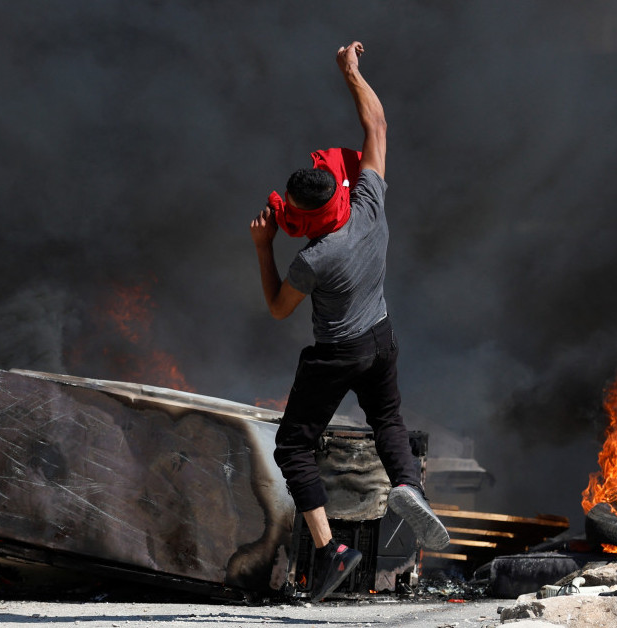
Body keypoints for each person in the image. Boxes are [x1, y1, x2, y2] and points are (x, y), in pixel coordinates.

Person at [249, 41, 450, 603]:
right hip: (382, 336)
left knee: (293, 445)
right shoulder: (368, 203)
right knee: (386, 416)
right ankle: (407, 485)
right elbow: (378, 125)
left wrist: (264, 248)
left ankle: (332, 550)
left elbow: (277, 309)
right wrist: (351, 73)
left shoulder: (313, 259)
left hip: (337, 351)